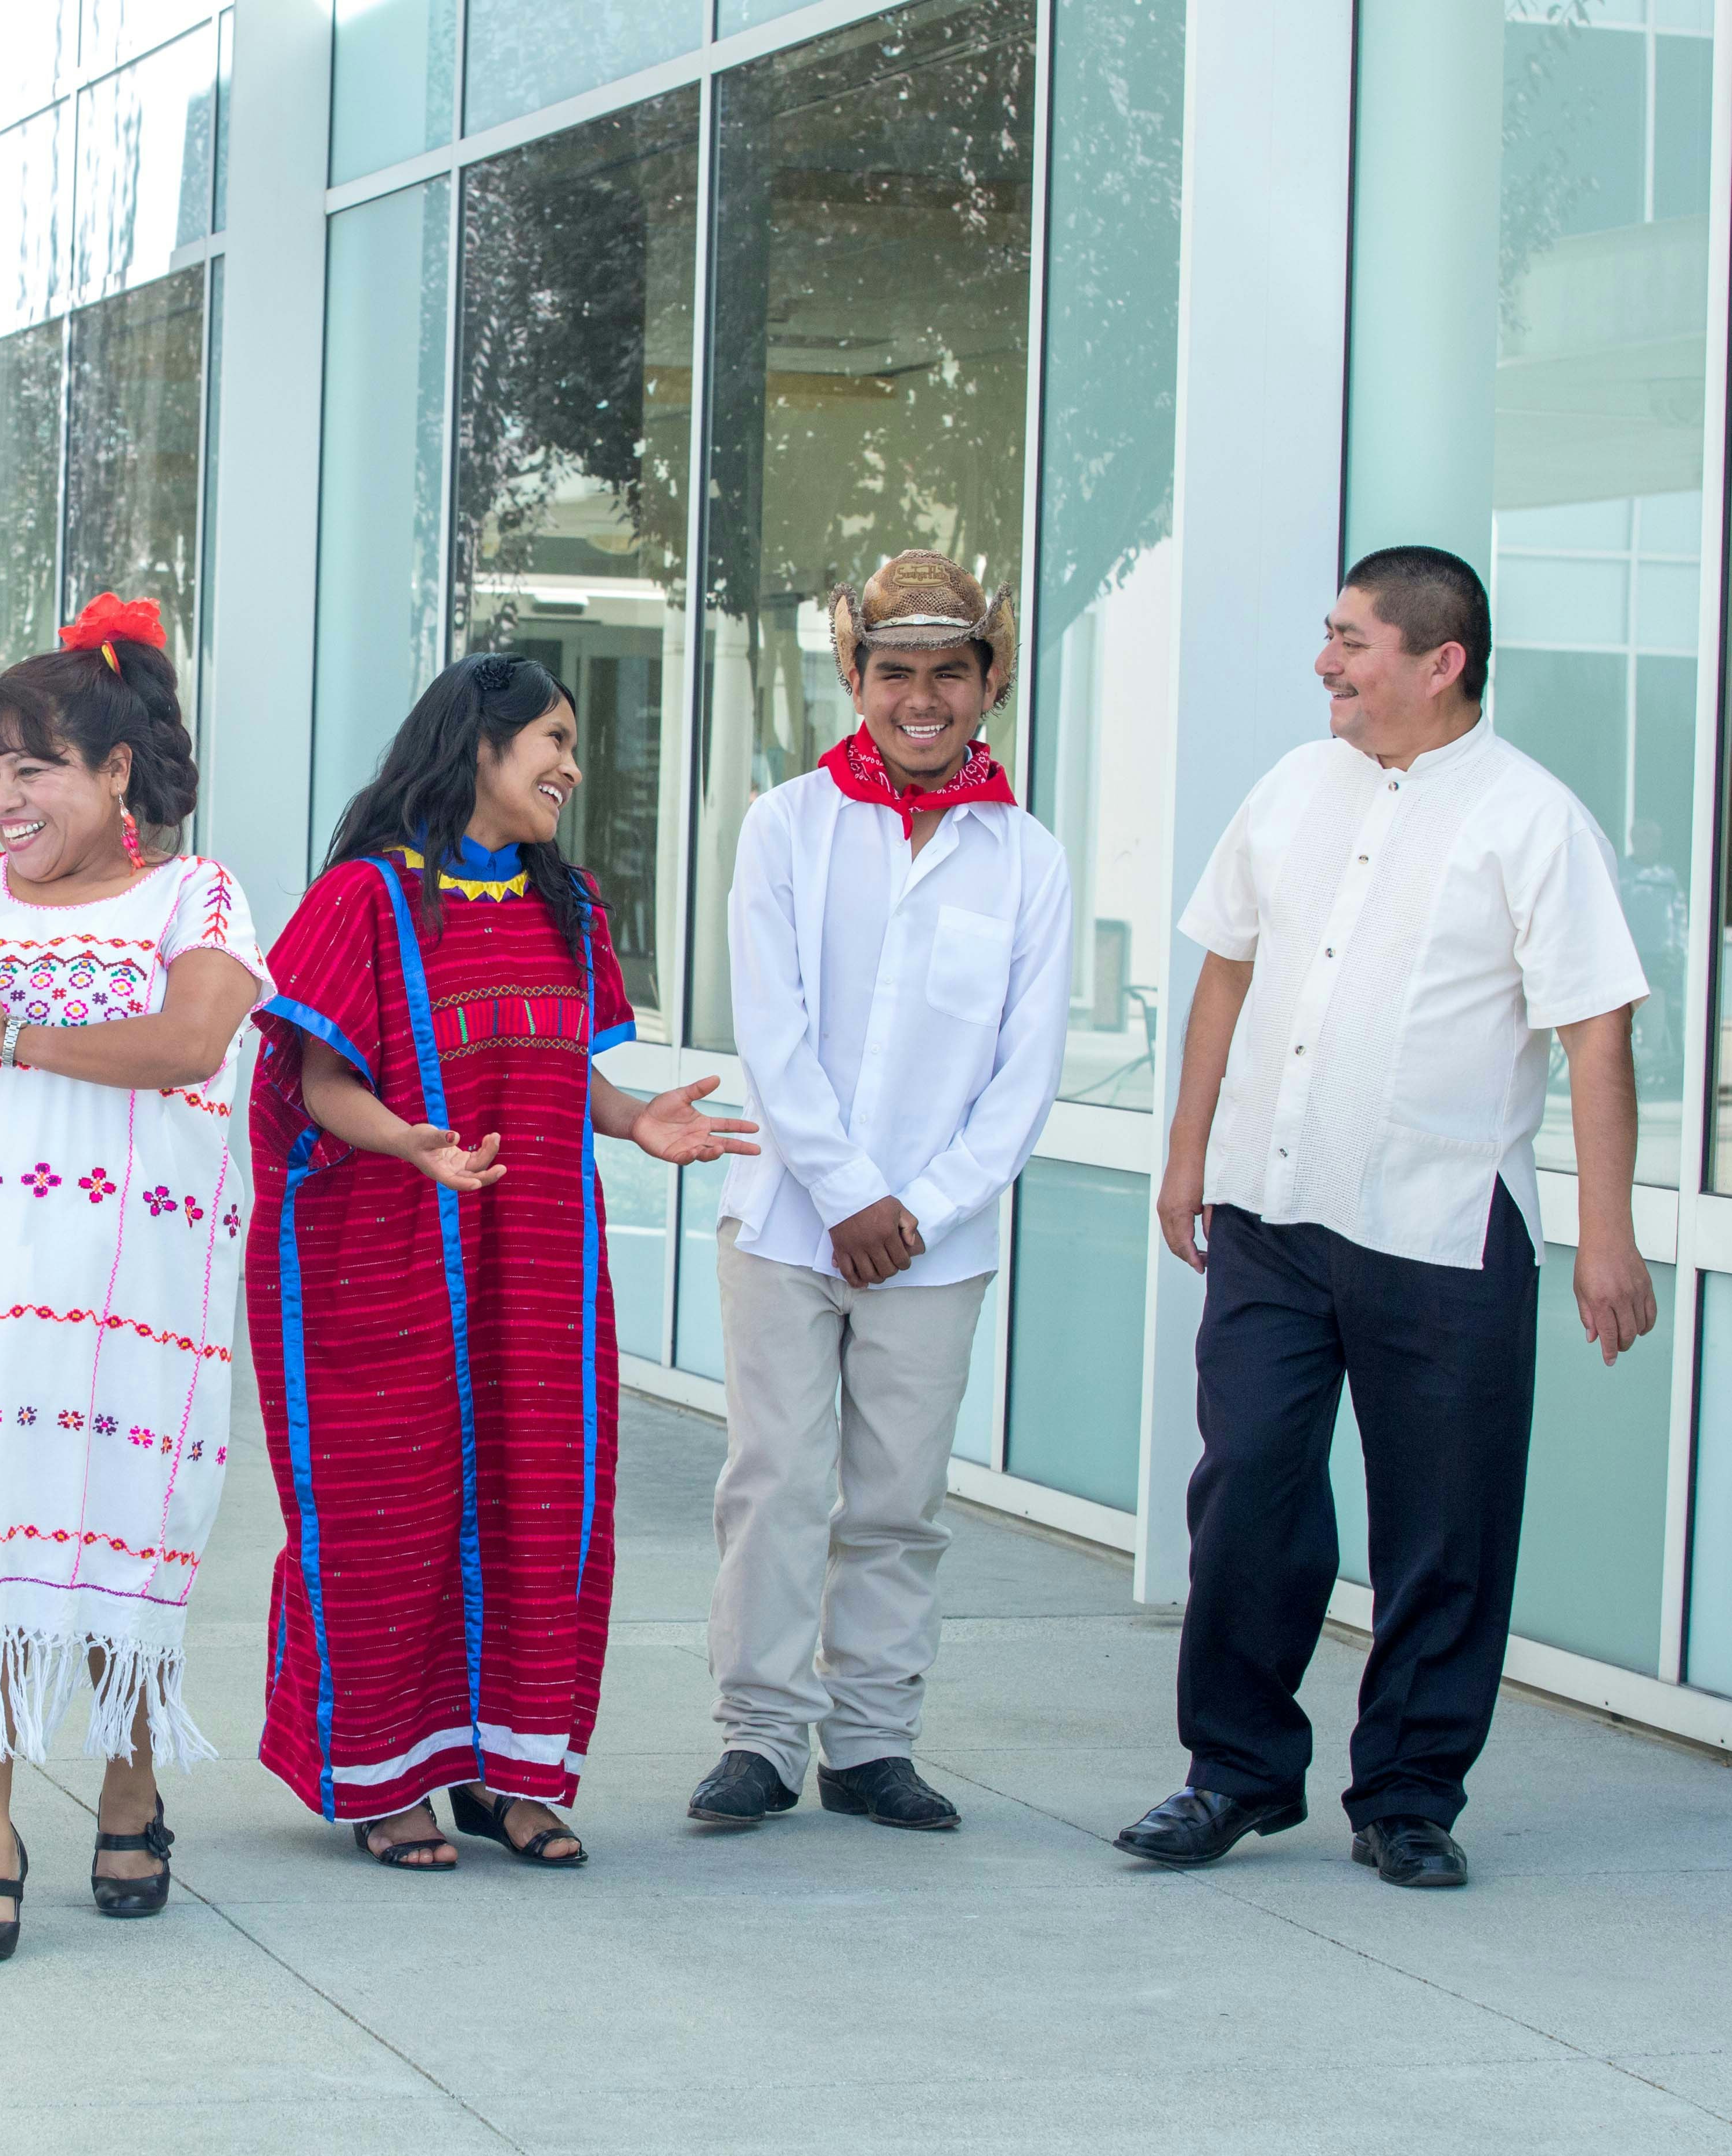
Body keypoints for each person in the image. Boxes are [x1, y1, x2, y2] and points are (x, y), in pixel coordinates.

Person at [1115, 546, 1656, 1890]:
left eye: (1353, 641)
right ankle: (1234, 1773)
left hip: (1445, 1230)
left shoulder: (1536, 820)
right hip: (1272, 1213)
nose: (1326, 663)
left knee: (1447, 1528)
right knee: (1247, 1488)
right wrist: (1187, 1156)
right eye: (1329, 634)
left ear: (1439, 662)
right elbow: (1224, 978)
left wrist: (1607, 1235)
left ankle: (1409, 1797)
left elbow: (1597, 1037)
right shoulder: (1292, 788)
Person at [247, 653, 756, 1872]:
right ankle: (388, 1781)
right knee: (391, 1512)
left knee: (542, 1503)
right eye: (554, 741)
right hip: (386, 1262)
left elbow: (557, 1061)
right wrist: (410, 1146)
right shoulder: (366, 900)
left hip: (534, 1265)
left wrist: (636, 1119)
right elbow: (320, 1082)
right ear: (480, 746)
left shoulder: (560, 901)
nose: (571, 767)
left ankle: (512, 1772)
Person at [0, 594, 262, 1963]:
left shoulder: (193, 894)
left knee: (116, 1528)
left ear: (118, 771)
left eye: (41, 767)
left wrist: (11, 1029)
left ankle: (129, 1776)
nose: (8, 797)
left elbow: (193, 1043)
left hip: (135, 1300)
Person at [689, 553, 1070, 1837]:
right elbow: (774, 1030)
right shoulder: (785, 825)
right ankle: (758, 1738)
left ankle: (871, 1747)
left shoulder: (1028, 858)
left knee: (899, 1501)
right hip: (791, 1221)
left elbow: (1025, 1074)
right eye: (895, 671)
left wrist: (923, 1206)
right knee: (776, 1482)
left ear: (989, 683)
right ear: (854, 678)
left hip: (939, 1243)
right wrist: (853, 1195)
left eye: (949, 672)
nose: (923, 698)